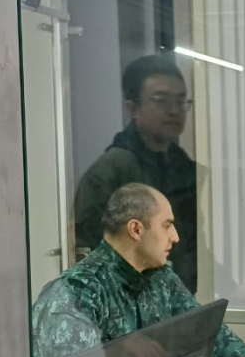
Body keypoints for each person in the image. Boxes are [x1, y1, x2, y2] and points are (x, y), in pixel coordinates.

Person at [32, 183, 245, 357]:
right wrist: (122, 351)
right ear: (136, 229)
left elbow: (203, 328)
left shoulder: (160, 277)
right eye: (166, 226)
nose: (175, 237)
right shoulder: (78, 291)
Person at [74, 55, 202, 292]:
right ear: (132, 107)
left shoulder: (183, 167)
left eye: (181, 101)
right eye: (161, 100)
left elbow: (194, 244)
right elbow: (90, 255)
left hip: (179, 298)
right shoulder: (109, 173)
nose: (174, 111)